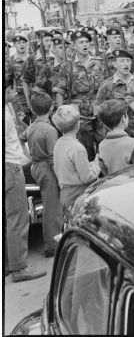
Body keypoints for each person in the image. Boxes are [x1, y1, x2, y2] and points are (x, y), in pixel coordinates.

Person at [5, 77, 48, 282]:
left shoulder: (8, 109)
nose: (15, 93)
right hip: (10, 166)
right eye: (12, 90)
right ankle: (19, 267)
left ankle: (9, 261)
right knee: (18, 218)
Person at [53, 30, 107, 161]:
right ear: (73, 45)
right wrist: (61, 112)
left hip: (99, 111)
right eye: (80, 42)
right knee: (85, 148)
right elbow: (60, 90)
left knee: (104, 145)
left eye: (86, 42)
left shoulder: (99, 63)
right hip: (80, 115)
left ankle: (103, 173)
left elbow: (108, 85)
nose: (85, 45)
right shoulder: (67, 67)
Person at [20, 93, 62, 257]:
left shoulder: (31, 127)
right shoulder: (50, 130)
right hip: (46, 168)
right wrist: (60, 177)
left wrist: (29, 155)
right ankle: (52, 246)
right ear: (51, 108)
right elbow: (53, 158)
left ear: (32, 109)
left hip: (35, 166)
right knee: (52, 208)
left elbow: (21, 138)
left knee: (48, 205)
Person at [52, 105, 101, 216]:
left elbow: (67, 167)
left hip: (64, 193)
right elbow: (87, 178)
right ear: (78, 124)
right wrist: (97, 163)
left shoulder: (58, 143)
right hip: (77, 195)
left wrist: (90, 164)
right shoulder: (77, 148)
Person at [97, 100, 134, 176]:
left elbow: (104, 170)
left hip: (115, 185)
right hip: (133, 184)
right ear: (123, 118)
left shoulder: (101, 146)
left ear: (104, 125)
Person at [7, 33, 31, 125]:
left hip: (33, 96)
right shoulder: (10, 61)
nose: (21, 45)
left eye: (23, 42)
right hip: (19, 99)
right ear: (14, 46)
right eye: (18, 43)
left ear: (26, 44)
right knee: (23, 123)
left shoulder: (32, 58)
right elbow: (8, 81)